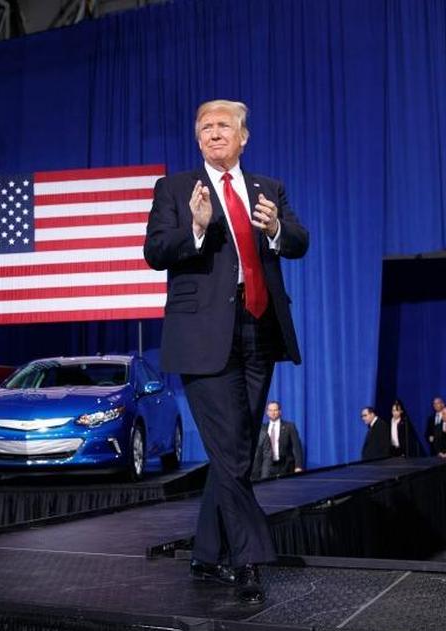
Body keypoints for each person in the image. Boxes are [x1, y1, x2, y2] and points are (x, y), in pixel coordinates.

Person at [144, 99, 309, 604]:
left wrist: (277, 228)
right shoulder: (175, 190)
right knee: (232, 451)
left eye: (223, 126)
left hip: (260, 329)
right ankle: (250, 558)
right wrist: (195, 227)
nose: (214, 134)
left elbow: (300, 241)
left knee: (231, 452)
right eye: (205, 128)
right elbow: (155, 253)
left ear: (243, 137)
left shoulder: (268, 190)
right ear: (198, 139)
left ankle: (205, 552)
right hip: (202, 336)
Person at [253, 401, 305, 480]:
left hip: (286, 467)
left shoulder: (289, 427)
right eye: (270, 410)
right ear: (267, 412)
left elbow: (297, 448)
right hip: (267, 469)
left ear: (280, 412)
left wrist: (298, 466)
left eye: (275, 410)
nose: (273, 413)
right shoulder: (261, 428)